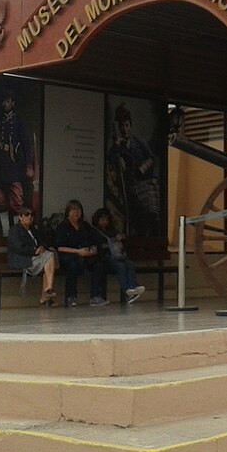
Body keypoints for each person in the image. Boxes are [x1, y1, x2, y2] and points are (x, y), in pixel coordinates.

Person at [0, 90, 35, 236]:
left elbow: (27, 144)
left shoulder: (18, 121)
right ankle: (5, 232)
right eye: (4, 101)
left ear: (13, 103)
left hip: (14, 165)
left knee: (17, 200)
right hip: (0, 164)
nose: (5, 104)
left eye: (8, 101)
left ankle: (19, 232)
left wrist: (29, 165)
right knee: (0, 201)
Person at [106, 104, 160, 237]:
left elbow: (152, 158)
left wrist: (147, 172)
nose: (125, 129)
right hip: (129, 184)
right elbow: (110, 159)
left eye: (127, 126)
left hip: (144, 180)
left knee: (152, 204)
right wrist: (116, 146)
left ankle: (151, 230)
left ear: (130, 126)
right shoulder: (119, 145)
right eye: (122, 127)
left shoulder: (138, 141)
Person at [54, 199, 108, 307]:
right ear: (68, 213)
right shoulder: (63, 227)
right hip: (70, 256)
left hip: (86, 256)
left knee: (99, 264)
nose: (76, 212)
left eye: (78, 210)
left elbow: (96, 241)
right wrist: (78, 252)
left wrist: (93, 249)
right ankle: (71, 297)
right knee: (72, 266)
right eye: (73, 210)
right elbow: (59, 247)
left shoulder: (85, 226)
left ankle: (95, 296)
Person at [91, 207, 146, 304]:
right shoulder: (94, 231)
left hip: (118, 255)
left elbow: (122, 236)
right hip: (106, 257)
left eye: (107, 219)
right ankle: (127, 291)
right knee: (120, 267)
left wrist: (119, 237)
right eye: (102, 219)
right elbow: (96, 246)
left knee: (130, 264)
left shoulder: (112, 230)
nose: (105, 222)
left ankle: (132, 287)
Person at [5, 205, 58, 306]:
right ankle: (48, 291)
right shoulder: (14, 231)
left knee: (49, 257)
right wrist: (34, 251)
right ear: (20, 217)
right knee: (49, 257)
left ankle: (46, 295)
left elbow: (41, 242)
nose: (30, 217)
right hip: (21, 259)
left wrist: (42, 247)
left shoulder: (33, 230)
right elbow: (18, 247)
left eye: (32, 215)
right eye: (26, 214)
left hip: (34, 258)